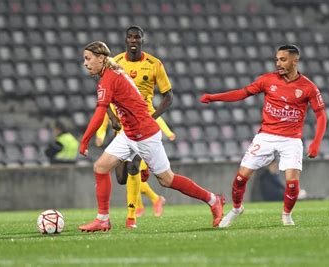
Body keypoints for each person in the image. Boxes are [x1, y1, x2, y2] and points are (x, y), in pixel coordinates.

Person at [78, 41, 224, 232]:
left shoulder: (108, 79)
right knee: (101, 167)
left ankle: (213, 200)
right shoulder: (112, 74)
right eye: (84, 59)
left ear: (101, 58)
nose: (85, 63)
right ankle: (103, 220)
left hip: (144, 134)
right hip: (129, 133)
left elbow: (100, 113)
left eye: (88, 58)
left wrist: (84, 141)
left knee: (167, 180)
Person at [200, 44, 327, 227]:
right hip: (266, 136)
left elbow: (321, 115)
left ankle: (286, 215)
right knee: (240, 179)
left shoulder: (308, 87)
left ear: (295, 61)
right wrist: (214, 97)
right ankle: (236, 209)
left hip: (291, 139)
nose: (278, 63)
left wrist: (316, 143)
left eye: (282, 59)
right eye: (277, 59)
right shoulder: (268, 80)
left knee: (292, 183)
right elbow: (242, 93)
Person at [95, 26, 174, 227]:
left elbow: (169, 96)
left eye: (137, 37)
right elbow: (104, 93)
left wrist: (153, 117)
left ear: (142, 40)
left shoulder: (154, 64)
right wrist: (111, 118)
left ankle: (131, 217)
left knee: (133, 166)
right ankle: (151, 197)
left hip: (142, 123)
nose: (133, 40)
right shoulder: (116, 63)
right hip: (121, 124)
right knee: (121, 177)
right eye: (130, 37)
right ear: (125, 40)